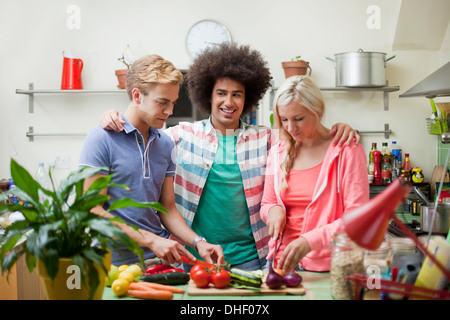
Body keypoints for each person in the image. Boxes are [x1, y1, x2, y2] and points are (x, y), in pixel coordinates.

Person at [99, 43, 359, 271]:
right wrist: (112, 114)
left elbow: (307, 133)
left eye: (237, 94)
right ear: (208, 95)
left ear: (248, 99)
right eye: (221, 93)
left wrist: (341, 128)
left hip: (253, 259)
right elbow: (142, 124)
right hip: (196, 257)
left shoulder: (267, 139)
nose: (229, 101)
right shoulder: (179, 136)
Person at [79, 54, 224, 268]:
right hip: (111, 263)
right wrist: (152, 240)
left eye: (173, 103)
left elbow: (167, 209)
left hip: (157, 261)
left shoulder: (165, 144)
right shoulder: (101, 139)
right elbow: (91, 212)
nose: (170, 111)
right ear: (137, 96)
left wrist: (198, 242)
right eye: (162, 102)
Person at [260, 75, 369, 274]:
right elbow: (267, 202)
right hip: (281, 264)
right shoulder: (278, 152)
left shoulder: (347, 150)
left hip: (331, 267)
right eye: (284, 120)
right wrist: (273, 210)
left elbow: (357, 220)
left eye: (299, 119)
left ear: (317, 111)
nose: (291, 128)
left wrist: (308, 242)